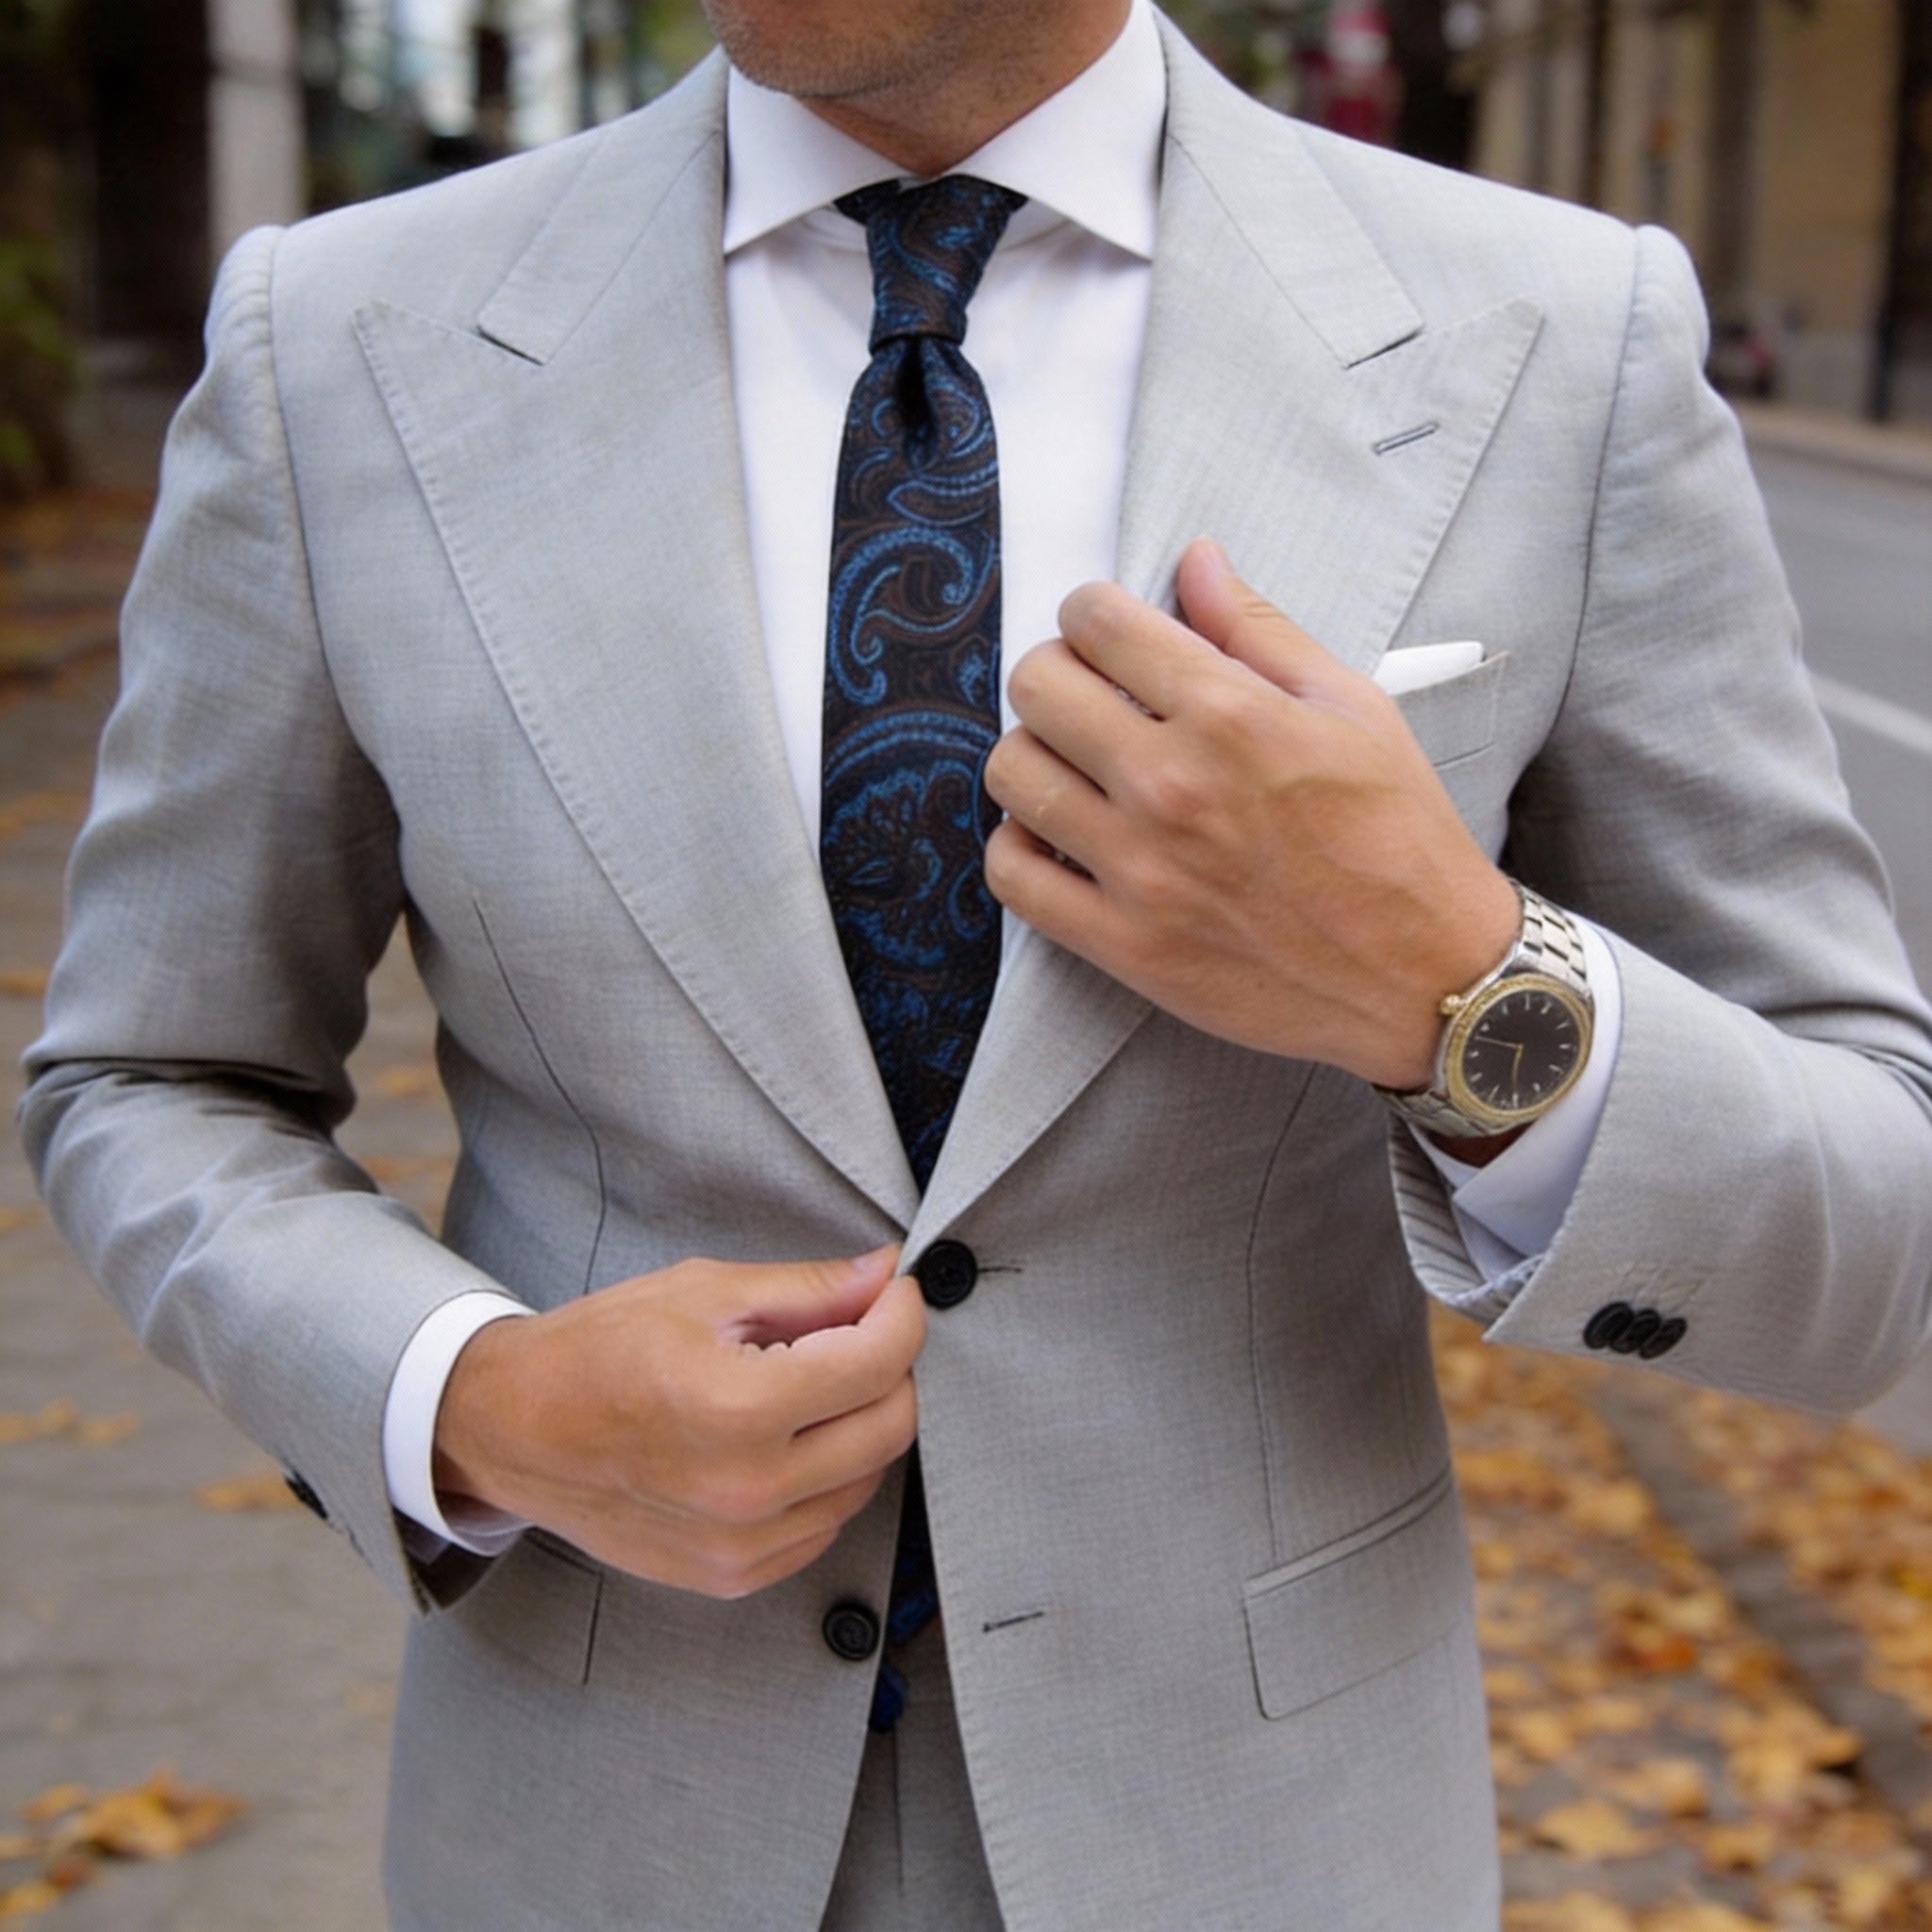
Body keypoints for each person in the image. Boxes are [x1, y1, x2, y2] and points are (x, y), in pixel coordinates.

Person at [21, 0, 1932, 1924]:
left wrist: (1455, 988)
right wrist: (470, 1400)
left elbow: (1877, 1223)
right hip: (602, 1825)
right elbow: (152, 1073)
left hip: (1259, 1838)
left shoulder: (1558, 336)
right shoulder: (338, 342)